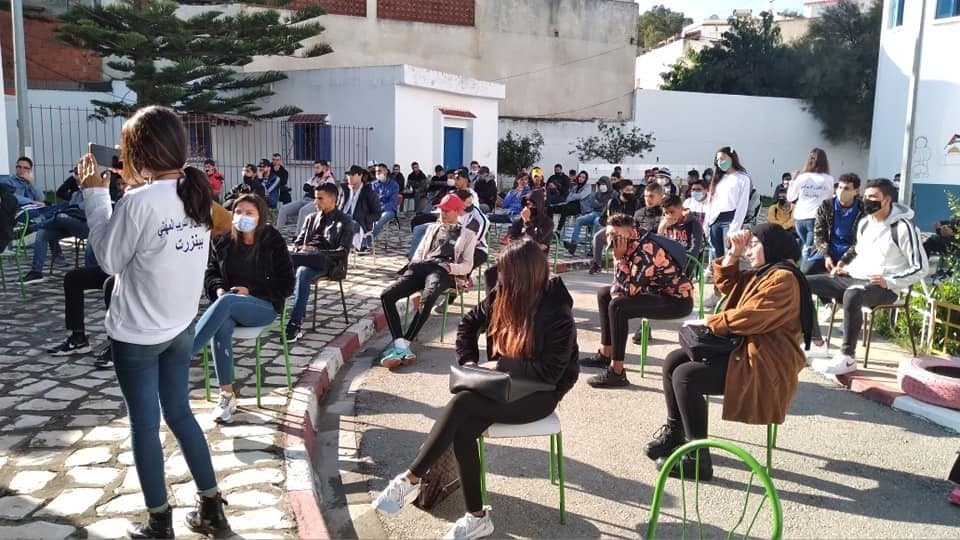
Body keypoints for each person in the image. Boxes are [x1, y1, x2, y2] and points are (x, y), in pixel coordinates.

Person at [75, 105, 231, 537]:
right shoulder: (196, 194)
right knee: (180, 414)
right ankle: (212, 508)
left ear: (136, 153)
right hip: (180, 328)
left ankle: (159, 521)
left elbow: (108, 260)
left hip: (137, 335)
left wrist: (95, 195)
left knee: (144, 424)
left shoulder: (138, 202)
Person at [371, 239, 579, 539]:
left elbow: (551, 372)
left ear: (525, 275)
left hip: (541, 393)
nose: (500, 277)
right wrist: (470, 361)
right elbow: (469, 324)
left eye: (506, 272)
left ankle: (411, 478)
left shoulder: (557, 311)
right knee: (463, 429)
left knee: (463, 403)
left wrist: (500, 365)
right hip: (502, 385)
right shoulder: (504, 293)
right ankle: (476, 516)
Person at [646, 225, 813, 480]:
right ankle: (676, 433)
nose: (749, 251)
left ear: (773, 246)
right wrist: (733, 253)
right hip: (748, 347)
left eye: (754, 245)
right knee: (674, 360)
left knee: (686, 376)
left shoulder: (783, 278)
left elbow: (753, 316)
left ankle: (698, 459)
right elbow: (727, 284)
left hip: (767, 361)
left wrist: (710, 321)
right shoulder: (766, 272)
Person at [805, 178, 927, 372]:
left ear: (887, 200)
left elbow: (920, 267)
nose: (867, 201)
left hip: (884, 288)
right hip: (855, 278)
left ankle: (847, 357)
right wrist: (845, 269)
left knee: (853, 294)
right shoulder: (865, 224)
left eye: (873, 197)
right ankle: (816, 343)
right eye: (866, 196)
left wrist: (890, 281)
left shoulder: (902, 227)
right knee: (801, 282)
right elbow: (861, 255)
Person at [192, 194, 294, 423]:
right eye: (238, 212)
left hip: (264, 306)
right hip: (228, 305)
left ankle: (185, 352)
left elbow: (287, 284)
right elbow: (211, 275)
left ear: (261, 216)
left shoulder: (272, 239)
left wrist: (251, 291)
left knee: (227, 303)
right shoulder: (223, 241)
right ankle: (226, 395)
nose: (242, 217)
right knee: (221, 325)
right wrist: (219, 289)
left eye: (249, 213)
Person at [580, 214, 694, 388]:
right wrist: (620, 258)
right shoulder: (629, 243)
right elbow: (619, 286)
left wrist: (619, 259)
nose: (610, 239)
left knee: (618, 306)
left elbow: (629, 291)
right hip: (655, 293)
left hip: (676, 301)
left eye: (615, 235)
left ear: (630, 232)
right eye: (609, 234)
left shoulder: (646, 250)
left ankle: (617, 372)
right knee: (604, 294)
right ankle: (605, 353)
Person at [379, 194, 477, 367]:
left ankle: (404, 344)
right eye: (441, 210)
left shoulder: (468, 234)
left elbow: (468, 265)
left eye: (447, 211)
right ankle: (400, 344)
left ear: (457, 212)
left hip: (443, 270)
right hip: (422, 266)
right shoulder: (433, 228)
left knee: (429, 296)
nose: (443, 214)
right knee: (387, 295)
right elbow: (420, 250)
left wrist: (451, 268)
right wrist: (414, 263)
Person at [285, 183, 354, 342]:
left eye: (320, 198)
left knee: (302, 271)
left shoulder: (345, 221)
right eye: (315, 198)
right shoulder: (311, 218)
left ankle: (295, 323)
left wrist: (318, 252)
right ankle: (275, 310)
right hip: (305, 257)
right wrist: (302, 248)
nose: (315, 202)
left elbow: (343, 251)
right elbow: (298, 242)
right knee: (281, 263)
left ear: (332, 200)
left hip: (328, 262)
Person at [804, 173, 863, 276]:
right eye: (840, 187)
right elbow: (819, 234)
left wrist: (845, 260)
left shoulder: (862, 210)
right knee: (807, 271)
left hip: (852, 253)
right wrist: (826, 256)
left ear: (856, 191)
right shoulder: (826, 206)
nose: (842, 191)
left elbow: (861, 241)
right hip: (827, 251)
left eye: (846, 188)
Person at [787, 148, 834, 261]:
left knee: (806, 247)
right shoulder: (828, 179)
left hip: (799, 218)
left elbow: (790, 197)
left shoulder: (802, 177)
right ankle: (803, 269)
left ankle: (801, 267)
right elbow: (829, 200)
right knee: (809, 250)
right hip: (816, 218)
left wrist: (792, 181)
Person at [704, 147, 751, 258]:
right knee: (716, 256)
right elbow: (710, 202)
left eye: (723, 159)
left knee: (729, 255)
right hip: (714, 220)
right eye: (718, 160)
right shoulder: (718, 178)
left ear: (732, 158)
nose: (720, 162)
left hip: (730, 219)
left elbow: (742, 206)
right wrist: (706, 224)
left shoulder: (742, 178)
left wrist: (734, 228)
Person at [589, 180, 641, 274]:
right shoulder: (612, 202)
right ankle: (597, 264)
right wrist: (610, 223)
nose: (630, 192)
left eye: (631, 190)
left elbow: (638, 220)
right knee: (597, 237)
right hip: (613, 231)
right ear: (621, 191)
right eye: (627, 190)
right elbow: (602, 218)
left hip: (628, 232)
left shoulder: (635, 202)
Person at [275, 160, 330, 234]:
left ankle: (298, 235)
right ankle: (276, 234)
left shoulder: (329, 179)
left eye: (317, 168)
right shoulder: (314, 177)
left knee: (303, 211)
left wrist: (313, 188)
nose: (315, 170)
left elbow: (321, 192)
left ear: (324, 168)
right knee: (283, 209)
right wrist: (313, 188)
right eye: (314, 168)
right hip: (305, 199)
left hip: (316, 201)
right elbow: (305, 187)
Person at [339, 165, 382, 254]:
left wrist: (366, 219)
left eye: (352, 175)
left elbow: (377, 214)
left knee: (347, 224)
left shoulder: (368, 192)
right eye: (348, 175)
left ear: (360, 176)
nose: (349, 177)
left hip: (359, 222)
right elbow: (338, 206)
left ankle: (345, 248)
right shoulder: (344, 189)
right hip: (343, 218)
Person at [564, 176, 612, 255]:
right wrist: (599, 204)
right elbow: (592, 204)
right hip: (595, 213)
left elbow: (606, 206)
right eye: (600, 184)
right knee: (579, 220)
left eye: (603, 184)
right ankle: (573, 244)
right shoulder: (597, 193)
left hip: (604, 216)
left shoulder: (612, 194)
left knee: (597, 222)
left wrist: (599, 204)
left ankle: (594, 247)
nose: (602, 186)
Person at [659, 195, 705, 261]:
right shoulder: (665, 223)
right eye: (666, 213)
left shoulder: (694, 224)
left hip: (687, 261)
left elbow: (694, 253)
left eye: (672, 212)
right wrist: (661, 229)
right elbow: (660, 246)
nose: (669, 216)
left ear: (681, 208)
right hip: (669, 260)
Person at [508, 188, 553, 253]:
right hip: (519, 253)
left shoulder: (547, 222)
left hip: (537, 256)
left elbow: (534, 241)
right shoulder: (519, 220)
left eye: (533, 205)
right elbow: (512, 239)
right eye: (528, 204)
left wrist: (527, 221)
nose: (530, 207)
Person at [370, 164, 401, 245]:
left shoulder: (394, 185)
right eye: (376, 171)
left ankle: (366, 242)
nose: (377, 173)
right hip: (374, 209)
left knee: (378, 221)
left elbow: (392, 202)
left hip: (388, 210)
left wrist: (379, 208)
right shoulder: (373, 185)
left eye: (379, 171)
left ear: (386, 171)